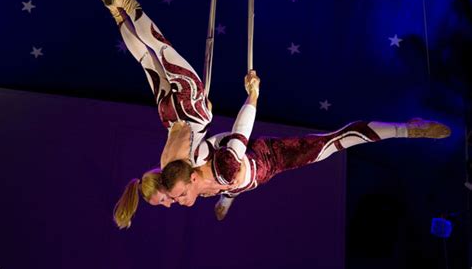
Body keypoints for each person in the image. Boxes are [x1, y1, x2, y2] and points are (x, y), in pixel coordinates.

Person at [161, 71, 451, 219]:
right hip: (245, 173)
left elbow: (240, 133)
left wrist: (254, 95)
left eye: (180, 195)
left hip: (271, 158)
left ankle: (408, 128)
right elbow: (225, 179)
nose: (179, 203)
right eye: (175, 199)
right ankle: (229, 200)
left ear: (193, 177)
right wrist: (225, 201)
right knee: (232, 186)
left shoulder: (221, 166)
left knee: (336, 142)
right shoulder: (202, 185)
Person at [97, 0, 229, 229]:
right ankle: (117, 13)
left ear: (165, 185)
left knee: (161, 50)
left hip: (190, 108)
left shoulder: (183, 177)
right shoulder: (162, 163)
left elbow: (214, 146)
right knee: (149, 61)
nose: (171, 202)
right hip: (169, 115)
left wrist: (218, 188)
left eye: (166, 199)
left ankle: (125, 2)